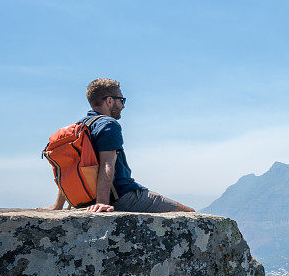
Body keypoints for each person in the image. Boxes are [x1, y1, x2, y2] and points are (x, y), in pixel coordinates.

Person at [40, 78, 195, 213]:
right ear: (109, 101)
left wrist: (58, 205)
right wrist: (102, 202)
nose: (123, 106)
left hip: (87, 200)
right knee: (189, 213)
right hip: (121, 195)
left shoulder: (80, 127)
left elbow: (70, 167)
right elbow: (107, 164)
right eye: (121, 100)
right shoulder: (108, 124)